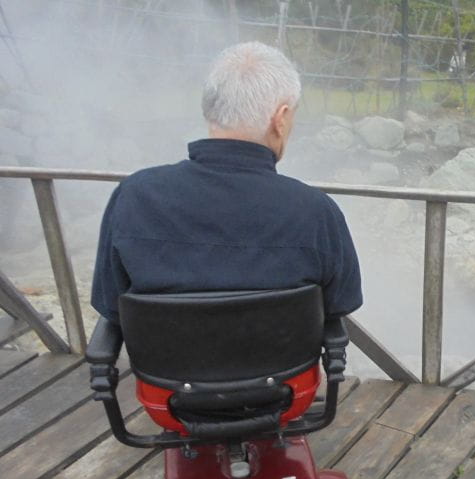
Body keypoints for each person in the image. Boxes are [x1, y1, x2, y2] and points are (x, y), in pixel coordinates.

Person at [91, 41, 362, 325]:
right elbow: (341, 304)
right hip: (281, 370)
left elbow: (109, 305)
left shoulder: (134, 196)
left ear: (210, 108)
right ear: (280, 119)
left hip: (164, 369)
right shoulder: (316, 212)